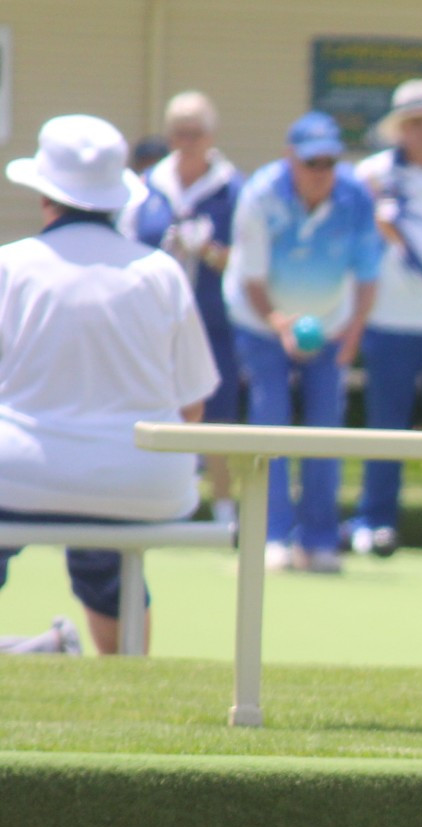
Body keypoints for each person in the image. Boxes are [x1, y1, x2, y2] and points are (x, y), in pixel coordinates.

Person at [0, 115, 219, 654]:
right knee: (107, 551)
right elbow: (193, 408)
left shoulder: (9, 266)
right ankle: (126, 680)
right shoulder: (160, 271)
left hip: (17, 473)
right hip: (145, 483)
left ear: (44, 194)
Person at [225, 111, 383, 573]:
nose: (322, 172)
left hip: (329, 323)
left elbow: (368, 274)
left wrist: (353, 332)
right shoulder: (260, 195)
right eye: (312, 162)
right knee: (269, 422)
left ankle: (318, 540)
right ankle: (270, 536)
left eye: (330, 162)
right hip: (261, 321)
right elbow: (251, 278)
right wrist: (279, 324)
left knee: (323, 428)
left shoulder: (355, 196)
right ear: (289, 158)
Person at [349, 79, 422, 558]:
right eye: (417, 123)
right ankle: (375, 523)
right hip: (388, 322)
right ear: (400, 129)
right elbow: (356, 247)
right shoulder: (368, 175)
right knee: (386, 427)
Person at [125, 91, 243, 528]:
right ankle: (150, 500)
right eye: (178, 132)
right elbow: (127, 248)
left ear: (211, 136)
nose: (186, 141)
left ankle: (225, 509)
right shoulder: (146, 187)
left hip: (214, 320)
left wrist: (209, 251)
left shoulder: (233, 188)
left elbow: (249, 262)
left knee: (218, 411)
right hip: (154, 321)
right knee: (153, 404)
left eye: (195, 133)